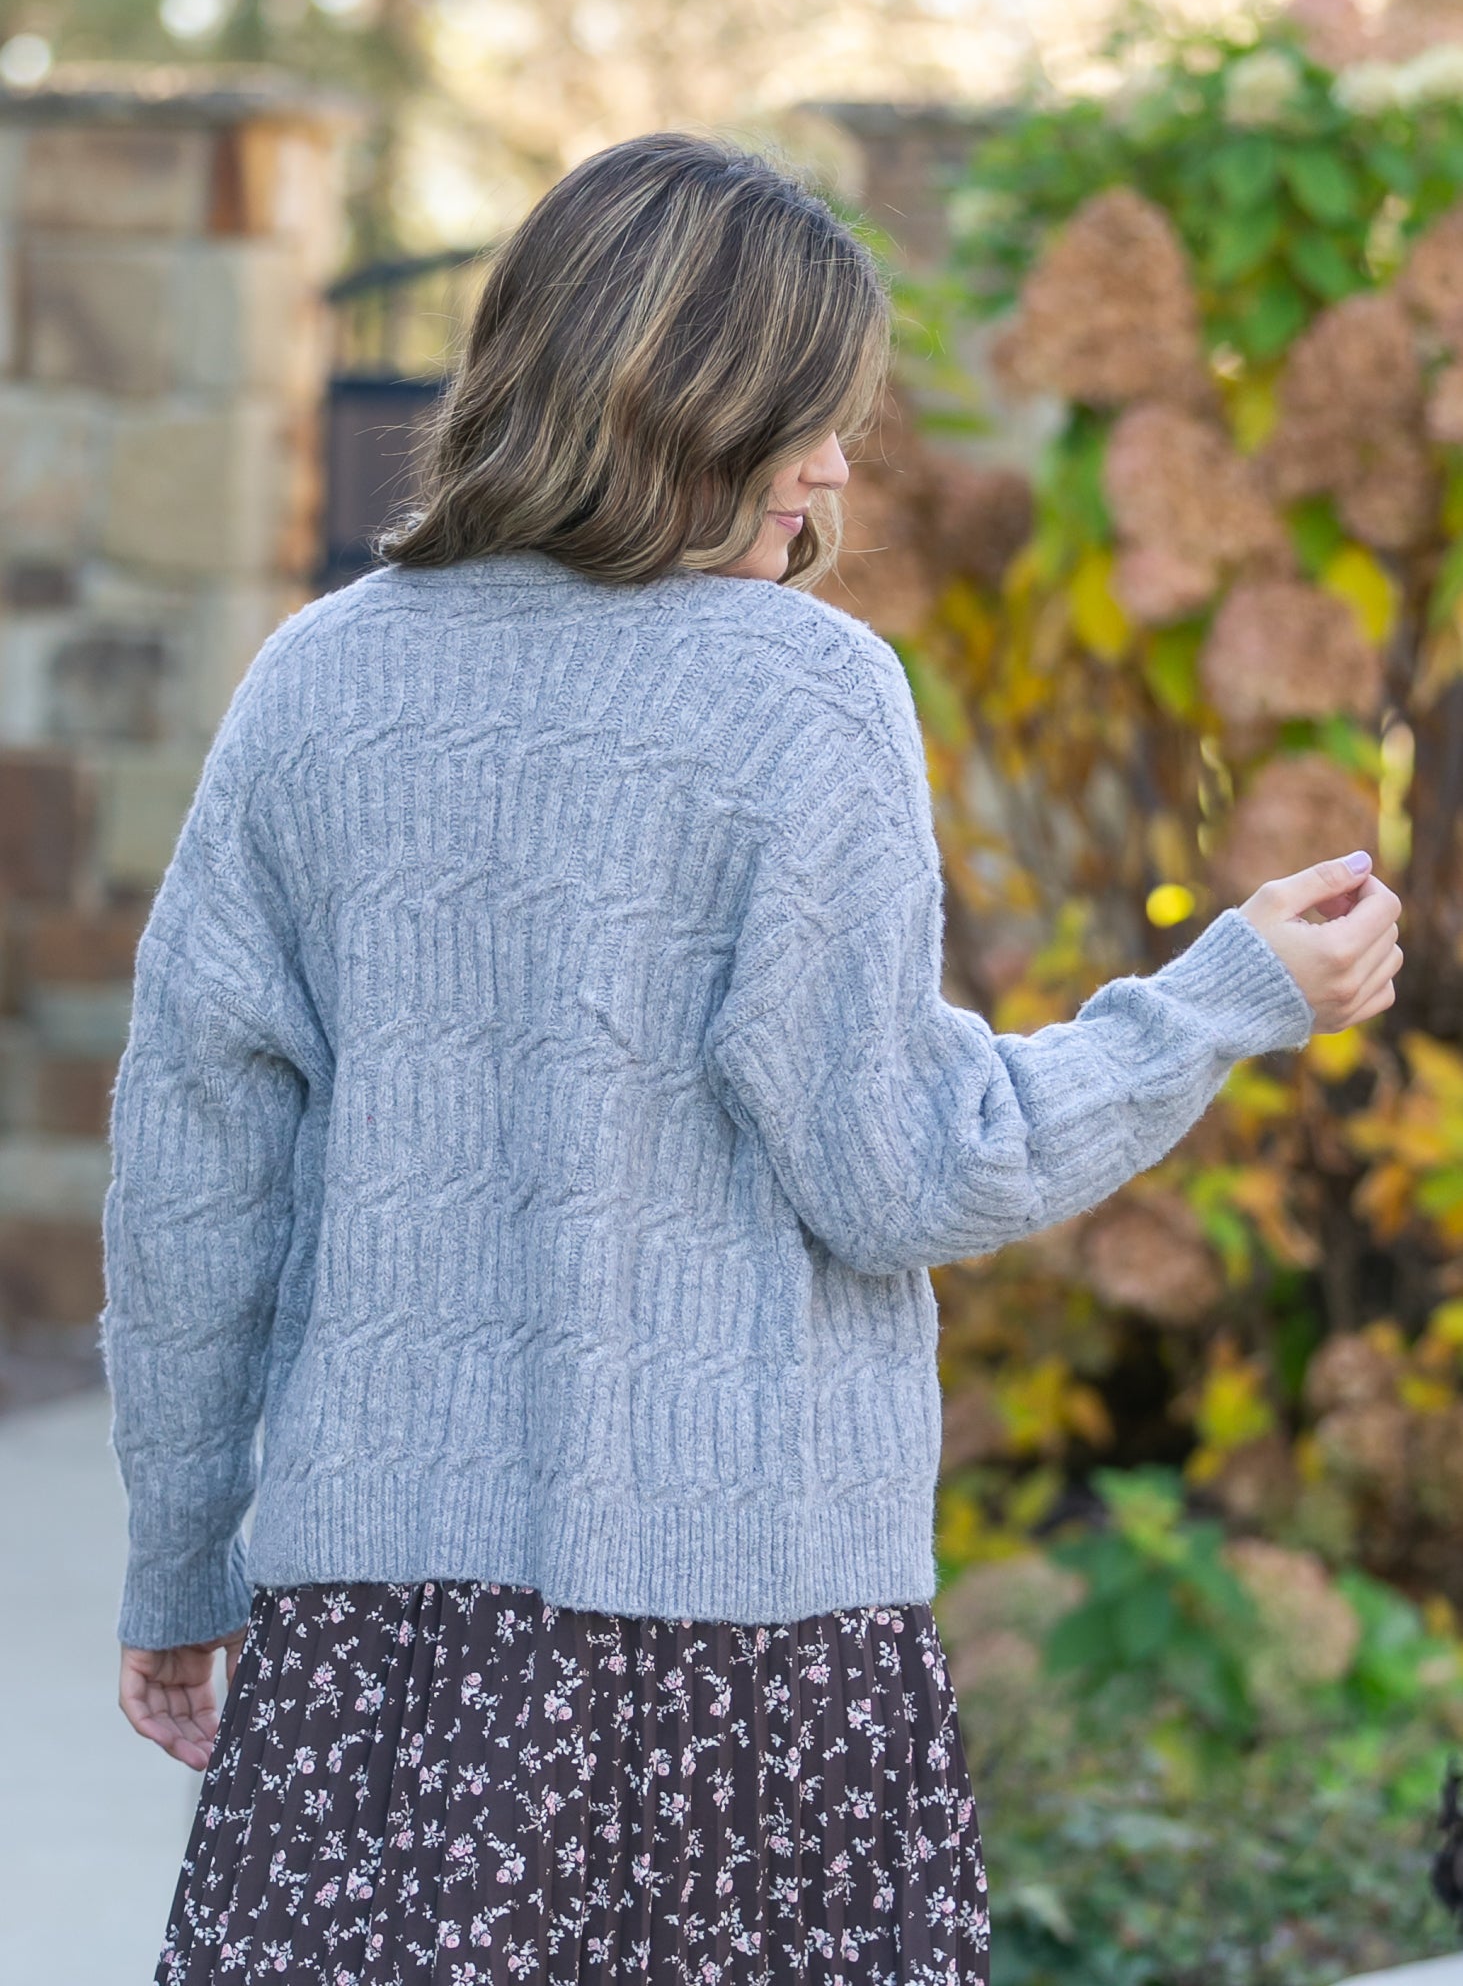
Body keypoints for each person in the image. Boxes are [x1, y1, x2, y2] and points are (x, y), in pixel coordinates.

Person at [102, 132, 1403, 1985]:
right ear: (678, 395)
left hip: (374, 1654)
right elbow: (903, 1169)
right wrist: (1222, 999)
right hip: (747, 1663)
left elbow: (188, 1181)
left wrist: (178, 1570)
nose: (840, 462)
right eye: (805, 412)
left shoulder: (320, 682)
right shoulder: (805, 699)